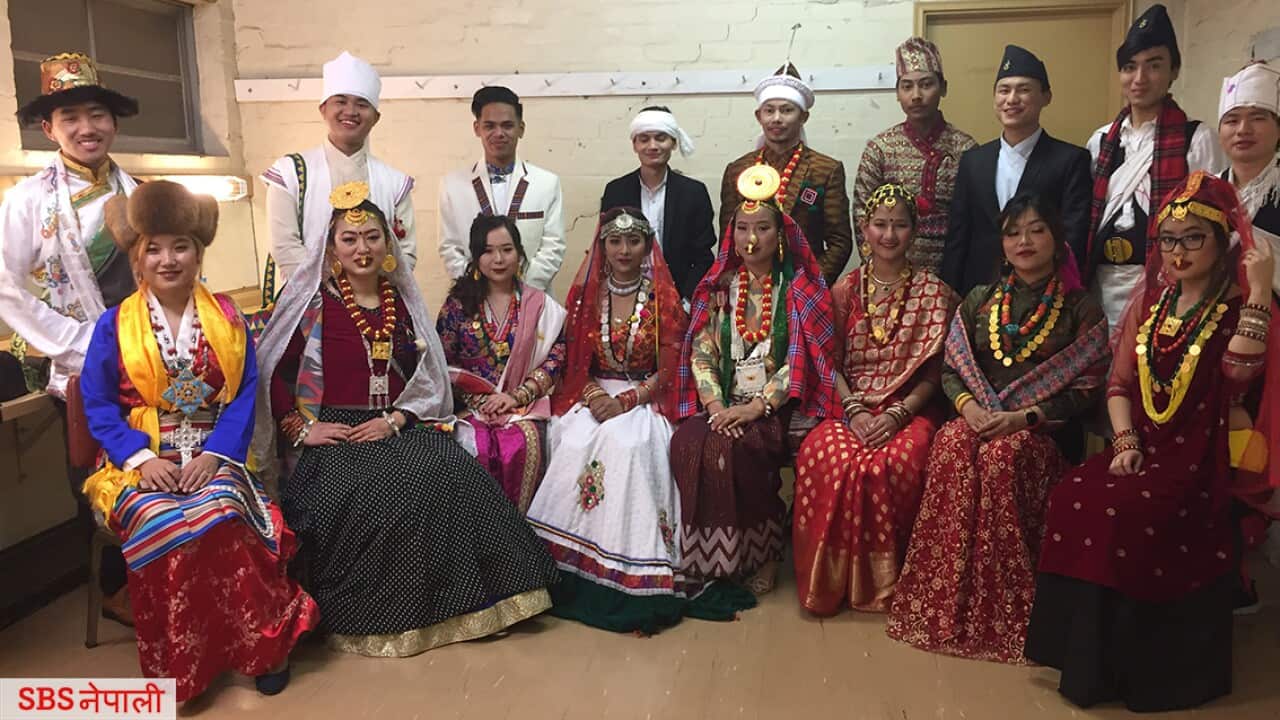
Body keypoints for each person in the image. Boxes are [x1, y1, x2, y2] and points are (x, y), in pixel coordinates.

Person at [254, 181, 557, 657]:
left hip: (396, 424)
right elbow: (273, 370)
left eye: (372, 237)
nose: (362, 249)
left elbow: (429, 376)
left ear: (388, 243)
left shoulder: (402, 302)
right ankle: (391, 618)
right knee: (376, 493)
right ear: (331, 248)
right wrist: (303, 428)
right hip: (339, 433)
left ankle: (473, 605)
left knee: (453, 472)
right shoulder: (312, 305)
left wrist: (396, 419)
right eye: (349, 239)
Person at [1027, 171, 1278, 711]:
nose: (1178, 252)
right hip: (1143, 446)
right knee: (1072, 494)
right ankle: (1084, 660)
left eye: (1193, 238)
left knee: (1124, 513)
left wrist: (1260, 290)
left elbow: (1239, 373)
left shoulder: (1237, 307)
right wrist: (1123, 443)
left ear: (1221, 243)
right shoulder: (1152, 305)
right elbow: (1119, 385)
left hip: (1203, 457)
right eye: (1169, 239)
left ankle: (1140, 671)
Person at [81, 181, 318, 701]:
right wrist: (141, 459)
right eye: (154, 248)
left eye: (180, 247)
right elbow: (97, 404)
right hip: (137, 460)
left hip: (215, 453)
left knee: (225, 514)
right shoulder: (112, 325)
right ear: (138, 257)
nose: (168, 260)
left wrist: (215, 456)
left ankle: (264, 648)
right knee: (161, 521)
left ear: (198, 253)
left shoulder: (229, 319)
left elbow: (245, 393)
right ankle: (183, 665)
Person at [886, 193, 1110, 663]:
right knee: (950, 443)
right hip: (979, 418)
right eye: (1013, 233)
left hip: (1042, 433)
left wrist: (1023, 418)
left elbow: (1087, 388)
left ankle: (1005, 609)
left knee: (1003, 456)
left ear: (1057, 240)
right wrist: (967, 407)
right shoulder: (981, 299)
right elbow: (952, 368)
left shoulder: (1080, 308)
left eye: (1036, 230)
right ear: (1002, 245)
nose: (1024, 241)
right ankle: (942, 600)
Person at [526, 207, 749, 633]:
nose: (624, 250)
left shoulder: (664, 298)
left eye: (633, 241)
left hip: (645, 400)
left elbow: (671, 368)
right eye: (615, 241)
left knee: (629, 447)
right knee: (569, 440)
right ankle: (565, 566)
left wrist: (627, 401)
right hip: (595, 395)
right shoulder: (587, 296)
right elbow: (574, 362)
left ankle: (632, 572)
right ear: (602, 246)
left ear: (648, 246)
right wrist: (595, 396)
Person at [0, 51, 141, 626]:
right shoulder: (27, 201)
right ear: (48, 127)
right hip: (80, 366)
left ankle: (160, 574)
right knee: (97, 476)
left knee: (155, 464)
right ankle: (115, 589)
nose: (87, 127)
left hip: (145, 362)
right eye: (71, 118)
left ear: (113, 122)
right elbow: (7, 287)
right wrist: (81, 345)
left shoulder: (140, 192)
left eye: (97, 114)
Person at [792, 183, 959, 615]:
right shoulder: (846, 290)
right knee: (824, 455)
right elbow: (828, 362)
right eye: (880, 224)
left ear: (914, 231)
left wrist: (898, 414)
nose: (889, 235)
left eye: (899, 225)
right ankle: (827, 583)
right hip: (851, 406)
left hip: (911, 408)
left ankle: (892, 581)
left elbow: (936, 374)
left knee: (893, 462)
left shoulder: (934, 293)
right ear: (864, 228)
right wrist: (854, 410)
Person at [673, 165, 839, 596]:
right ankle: (708, 556)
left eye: (763, 228)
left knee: (739, 448)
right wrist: (715, 406)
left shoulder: (799, 289)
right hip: (724, 403)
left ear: (780, 235)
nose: (752, 238)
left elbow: (801, 361)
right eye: (743, 228)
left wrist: (756, 407)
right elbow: (702, 351)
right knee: (688, 442)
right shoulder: (720, 288)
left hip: (777, 406)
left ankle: (763, 551)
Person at [1084, 3, 1225, 332]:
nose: (1139, 79)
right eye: (1130, 67)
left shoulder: (1197, 138)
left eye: (1154, 65)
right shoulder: (1100, 141)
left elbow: (1214, 224)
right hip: (1100, 286)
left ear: (1174, 70)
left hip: (1167, 282)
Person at [437, 214, 566, 513]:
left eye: (507, 249)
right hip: (470, 408)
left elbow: (556, 356)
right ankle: (482, 533)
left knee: (522, 443)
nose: (498, 259)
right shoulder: (457, 305)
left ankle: (523, 532)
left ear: (519, 253)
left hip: (523, 407)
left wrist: (515, 397)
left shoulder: (539, 305)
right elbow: (443, 363)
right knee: (472, 444)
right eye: (488, 251)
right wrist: (479, 400)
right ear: (475, 256)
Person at [942, 45, 1092, 295]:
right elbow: (958, 236)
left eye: (1023, 90)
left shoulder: (1070, 160)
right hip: (979, 292)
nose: (1011, 99)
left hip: (1044, 294)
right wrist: (950, 293)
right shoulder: (973, 161)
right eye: (1004, 90)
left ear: (1046, 97)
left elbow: (1073, 236)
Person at [262, 51, 416, 281]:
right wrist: (333, 293)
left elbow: (405, 254)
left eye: (362, 104)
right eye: (341, 102)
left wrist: (367, 291)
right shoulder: (290, 173)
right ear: (323, 109)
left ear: (376, 117)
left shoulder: (395, 182)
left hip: (378, 297)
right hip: (310, 299)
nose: (351, 112)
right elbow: (284, 246)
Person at [720, 64, 853, 286]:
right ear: (759, 116)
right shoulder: (738, 170)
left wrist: (810, 285)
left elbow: (839, 242)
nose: (776, 118)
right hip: (748, 286)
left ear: (804, 116)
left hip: (804, 286)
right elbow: (727, 239)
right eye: (769, 110)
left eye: (787, 110)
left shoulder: (826, 170)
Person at [856, 37, 977, 276]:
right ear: (897, 92)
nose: (916, 95)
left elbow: (977, 221)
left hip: (953, 272)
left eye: (926, 85)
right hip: (891, 273)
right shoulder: (880, 148)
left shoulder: (966, 149)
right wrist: (881, 271)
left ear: (943, 87)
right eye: (907, 86)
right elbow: (863, 215)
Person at [439, 86, 565, 291]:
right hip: (474, 299)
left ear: (521, 128)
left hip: (532, 297)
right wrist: (480, 290)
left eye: (507, 125)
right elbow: (450, 248)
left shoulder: (547, 183)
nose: (499, 133)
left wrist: (523, 291)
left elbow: (553, 246)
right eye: (489, 126)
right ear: (477, 128)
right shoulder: (452, 186)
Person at [600, 106, 716, 300]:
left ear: (673, 142)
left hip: (680, 296)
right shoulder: (616, 191)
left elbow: (703, 256)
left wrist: (685, 301)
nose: (652, 146)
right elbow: (605, 249)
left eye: (661, 138)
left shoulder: (694, 193)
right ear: (634, 145)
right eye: (644, 139)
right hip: (626, 295)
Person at [1220, 61, 1280, 298]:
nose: (1243, 129)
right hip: (1209, 316)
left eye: (1257, 118)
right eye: (1232, 120)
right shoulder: (1205, 190)